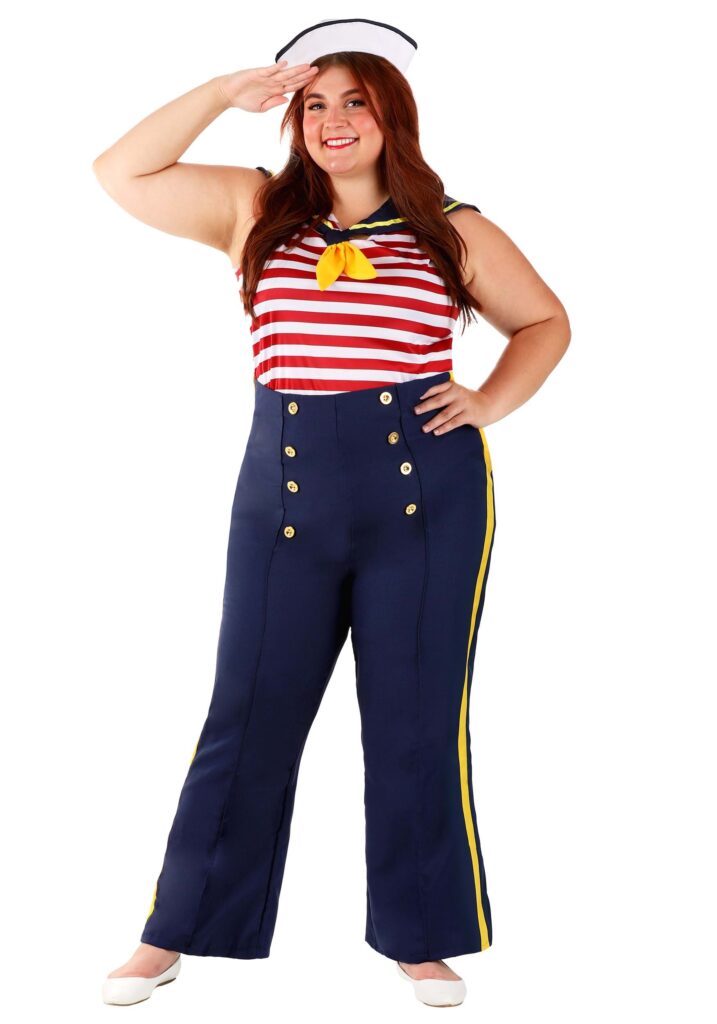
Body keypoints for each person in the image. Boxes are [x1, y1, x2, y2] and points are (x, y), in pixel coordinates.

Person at [94, 17, 570, 1009]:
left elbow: (544, 321)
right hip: (283, 496)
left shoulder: (453, 228)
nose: (333, 120)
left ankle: (420, 937)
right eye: (315, 104)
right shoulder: (254, 208)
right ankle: (175, 929)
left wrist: (488, 400)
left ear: (393, 117)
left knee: (415, 720)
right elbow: (121, 172)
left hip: (426, 499)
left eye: (356, 101)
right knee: (246, 712)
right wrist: (223, 92)